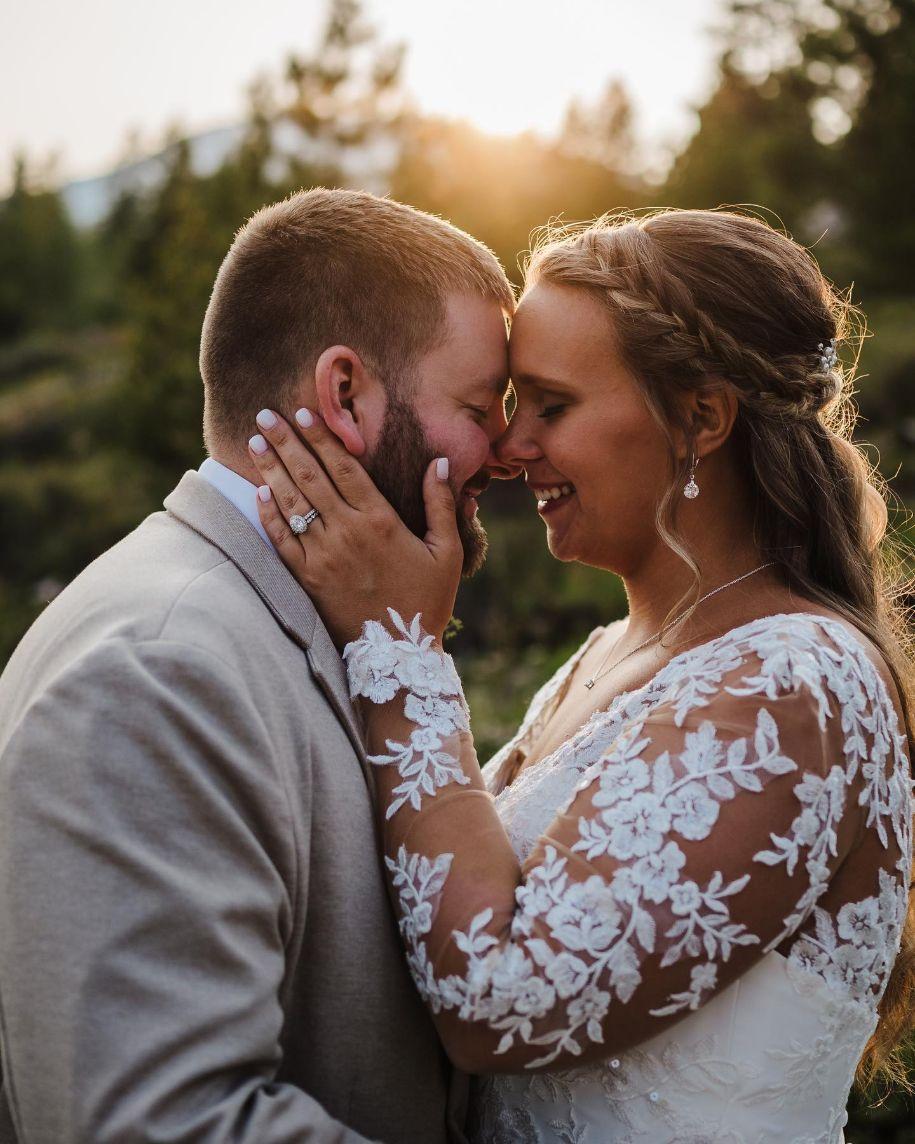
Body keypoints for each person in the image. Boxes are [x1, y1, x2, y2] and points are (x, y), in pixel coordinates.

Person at [248, 208, 915, 1143]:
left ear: (701, 419)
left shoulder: (797, 686)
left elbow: (498, 1002)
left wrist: (399, 648)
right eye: (508, 403)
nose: (508, 448)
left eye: (550, 406)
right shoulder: (601, 658)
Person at [0, 187, 520, 1143]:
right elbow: (161, 1123)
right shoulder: (157, 672)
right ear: (345, 393)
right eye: (479, 407)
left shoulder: (331, 618)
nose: (505, 452)